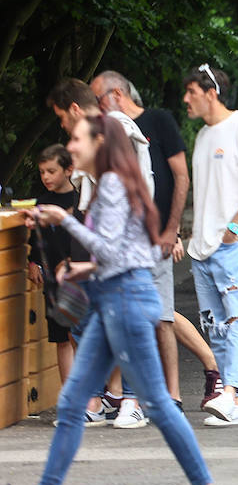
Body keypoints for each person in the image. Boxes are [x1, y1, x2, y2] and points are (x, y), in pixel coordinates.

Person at [3, 115, 229, 485]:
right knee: (72, 404)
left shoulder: (110, 185)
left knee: (158, 404)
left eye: (76, 139)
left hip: (124, 303)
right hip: (114, 300)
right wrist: (81, 270)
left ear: (99, 143)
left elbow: (111, 251)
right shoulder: (112, 182)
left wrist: (63, 220)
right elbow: (124, 254)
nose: (70, 146)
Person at [93, 71, 222, 414]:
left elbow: (180, 177)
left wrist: (172, 229)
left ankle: (171, 396)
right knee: (135, 312)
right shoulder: (108, 131)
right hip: (124, 239)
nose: (96, 108)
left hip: (157, 235)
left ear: (117, 94)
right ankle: (123, 394)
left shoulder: (158, 121)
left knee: (161, 316)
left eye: (98, 100)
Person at [47, 77, 156, 427]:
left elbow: (137, 192)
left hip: (124, 268)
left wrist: (65, 221)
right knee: (85, 325)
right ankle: (96, 400)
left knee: (119, 333)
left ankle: (131, 399)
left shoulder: (115, 133)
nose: (68, 141)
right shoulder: (99, 170)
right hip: (104, 251)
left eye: (68, 126)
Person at [183, 64, 238, 427]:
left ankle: (232, 393)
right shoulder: (203, 135)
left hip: (232, 247)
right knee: (216, 326)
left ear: (211, 92)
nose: (185, 99)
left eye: (191, 92)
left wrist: (234, 228)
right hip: (202, 249)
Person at [28, 146, 79, 385]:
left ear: (68, 170)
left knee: (78, 336)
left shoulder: (79, 199)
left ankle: (92, 395)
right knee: (61, 338)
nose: (46, 177)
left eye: (51, 171)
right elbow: (37, 240)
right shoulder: (42, 201)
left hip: (77, 277)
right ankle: (70, 395)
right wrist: (33, 262)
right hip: (52, 281)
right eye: (42, 172)